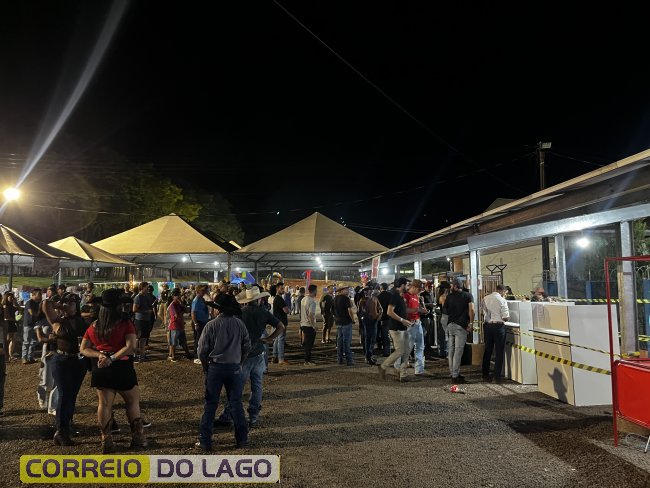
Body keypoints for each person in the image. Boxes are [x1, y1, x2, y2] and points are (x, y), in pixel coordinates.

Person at [80, 288, 147, 453]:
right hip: (122, 366)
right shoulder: (125, 324)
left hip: (101, 368)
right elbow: (131, 347)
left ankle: (106, 440)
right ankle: (138, 438)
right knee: (132, 402)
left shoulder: (94, 326)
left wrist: (100, 355)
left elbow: (83, 349)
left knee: (104, 404)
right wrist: (112, 358)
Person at [218, 286, 283, 427]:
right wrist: (269, 338)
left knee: (237, 386)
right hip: (259, 352)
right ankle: (253, 416)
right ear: (258, 299)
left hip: (243, 354)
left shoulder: (241, 313)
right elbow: (280, 326)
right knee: (257, 386)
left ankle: (228, 415)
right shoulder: (264, 312)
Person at [196, 294, 251, 451]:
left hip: (215, 367)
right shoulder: (239, 324)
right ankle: (242, 439)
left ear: (217, 309)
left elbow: (202, 351)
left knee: (210, 404)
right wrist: (240, 362)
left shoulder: (211, 325)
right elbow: (247, 347)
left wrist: (205, 367)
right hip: (234, 367)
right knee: (236, 403)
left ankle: (205, 440)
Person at [44, 293, 88, 446]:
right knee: (64, 394)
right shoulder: (59, 321)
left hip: (79, 360)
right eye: (66, 302)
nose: (68, 305)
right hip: (62, 360)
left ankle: (67, 424)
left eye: (71, 302)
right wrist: (60, 305)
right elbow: (46, 304)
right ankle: (61, 430)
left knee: (72, 395)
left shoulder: (83, 320)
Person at [378, 277, 412, 382]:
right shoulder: (395, 296)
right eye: (407, 285)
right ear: (402, 285)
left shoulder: (400, 296)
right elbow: (389, 311)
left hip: (403, 327)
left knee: (406, 351)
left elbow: (401, 310)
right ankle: (383, 366)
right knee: (400, 350)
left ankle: (403, 374)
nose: (408, 287)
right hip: (396, 328)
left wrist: (407, 320)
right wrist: (402, 320)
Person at [443, 278, 475, 383]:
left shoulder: (449, 297)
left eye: (452, 285)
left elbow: (445, 311)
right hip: (461, 326)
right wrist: (471, 323)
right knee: (458, 351)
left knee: (451, 351)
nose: (451, 287)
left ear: (456, 286)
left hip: (450, 325)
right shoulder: (468, 296)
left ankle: (453, 372)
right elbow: (472, 310)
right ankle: (455, 376)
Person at [395, 279, 427, 375]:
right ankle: (399, 366)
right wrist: (417, 310)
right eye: (419, 289)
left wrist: (421, 307)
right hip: (410, 324)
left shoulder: (416, 296)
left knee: (420, 346)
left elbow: (417, 309)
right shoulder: (406, 296)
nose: (420, 291)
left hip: (417, 322)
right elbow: (404, 310)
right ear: (414, 287)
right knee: (407, 347)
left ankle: (419, 369)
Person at [481, 284, 510, 383]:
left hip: (488, 326)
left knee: (487, 350)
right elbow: (505, 317)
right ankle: (496, 377)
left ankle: (485, 374)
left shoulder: (485, 298)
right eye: (505, 292)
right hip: (498, 327)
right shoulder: (502, 300)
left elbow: (483, 312)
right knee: (499, 352)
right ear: (503, 291)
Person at [167, 288, 193, 361]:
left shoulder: (179, 304)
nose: (178, 297)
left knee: (183, 341)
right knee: (173, 342)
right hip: (174, 326)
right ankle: (173, 356)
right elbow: (176, 315)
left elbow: (186, 310)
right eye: (176, 295)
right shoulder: (172, 305)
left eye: (178, 295)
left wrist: (182, 304)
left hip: (180, 325)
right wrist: (182, 312)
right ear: (173, 296)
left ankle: (187, 354)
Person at [133, 282, 156, 362]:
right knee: (138, 338)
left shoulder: (145, 296)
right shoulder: (138, 297)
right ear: (142, 288)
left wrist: (152, 306)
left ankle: (142, 355)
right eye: (146, 287)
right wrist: (146, 311)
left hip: (146, 320)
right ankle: (135, 355)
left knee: (144, 339)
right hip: (140, 321)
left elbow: (148, 306)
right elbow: (134, 309)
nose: (147, 289)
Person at [334, 285, 355, 366]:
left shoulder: (335, 298)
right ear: (341, 290)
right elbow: (350, 309)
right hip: (346, 322)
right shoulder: (345, 299)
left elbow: (332, 310)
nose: (348, 291)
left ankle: (339, 359)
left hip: (338, 322)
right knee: (346, 341)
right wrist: (353, 319)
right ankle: (349, 360)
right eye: (346, 289)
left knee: (339, 341)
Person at [361, 286, 382, 365]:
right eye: (367, 291)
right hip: (367, 321)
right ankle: (368, 356)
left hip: (374, 320)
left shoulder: (375, 299)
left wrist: (379, 316)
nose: (369, 292)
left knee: (373, 338)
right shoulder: (363, 300)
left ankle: (369, 355)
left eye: (370, 290)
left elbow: (380, 308)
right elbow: (362, 311)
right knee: (368, 338)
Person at [191, 284, 212, 365]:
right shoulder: (196, 300)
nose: (204, 292)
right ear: (198, 291)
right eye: (202, 290)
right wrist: (196, 323)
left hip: (203, 321)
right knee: (198, 339)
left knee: (201, 339)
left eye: (205, 290)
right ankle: (196, 356)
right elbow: (193, 313)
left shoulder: (201, 299)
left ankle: (200, 355)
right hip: (199, 322)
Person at [271, 282, 290, 366]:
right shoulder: (279, 299)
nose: (283, 290)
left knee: (277, 339)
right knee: (281, 339)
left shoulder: (277, 298)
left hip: (277, 322)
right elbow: (286, 310)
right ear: (277, 289)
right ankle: (281, 359)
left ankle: (275, 357)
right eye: (281, 288)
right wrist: (288, 309)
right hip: (281, 322)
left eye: (283, 288)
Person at [22, 288, 43, 364]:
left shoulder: (37, 303)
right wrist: (38, 313)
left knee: (33, 342)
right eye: (39, 294)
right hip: (28, 324)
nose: (41, 296)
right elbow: (32, 313)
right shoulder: (29, 302)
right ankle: (24, 358)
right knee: (26, 342)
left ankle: (30, 357)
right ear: (34, 294)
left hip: (35, 324)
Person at [300, 284, 318, 365]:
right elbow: (310, 315)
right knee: (309, 344)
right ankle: (307, 361)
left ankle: (307, 360)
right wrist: (314, 326)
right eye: (316, 290)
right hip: (309, 325)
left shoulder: (303, 299)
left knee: (306, 343)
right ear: (314, 291)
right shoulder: (312, 302)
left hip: (303, 323)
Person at [376, 283, 391, 357]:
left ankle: (385, 350)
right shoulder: (391, 295)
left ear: (381, 288)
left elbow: (377, 308)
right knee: (388, 335)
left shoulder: (378, 297)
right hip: (390, 317)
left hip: (381, 318)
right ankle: (389, 350)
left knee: (383, 335)